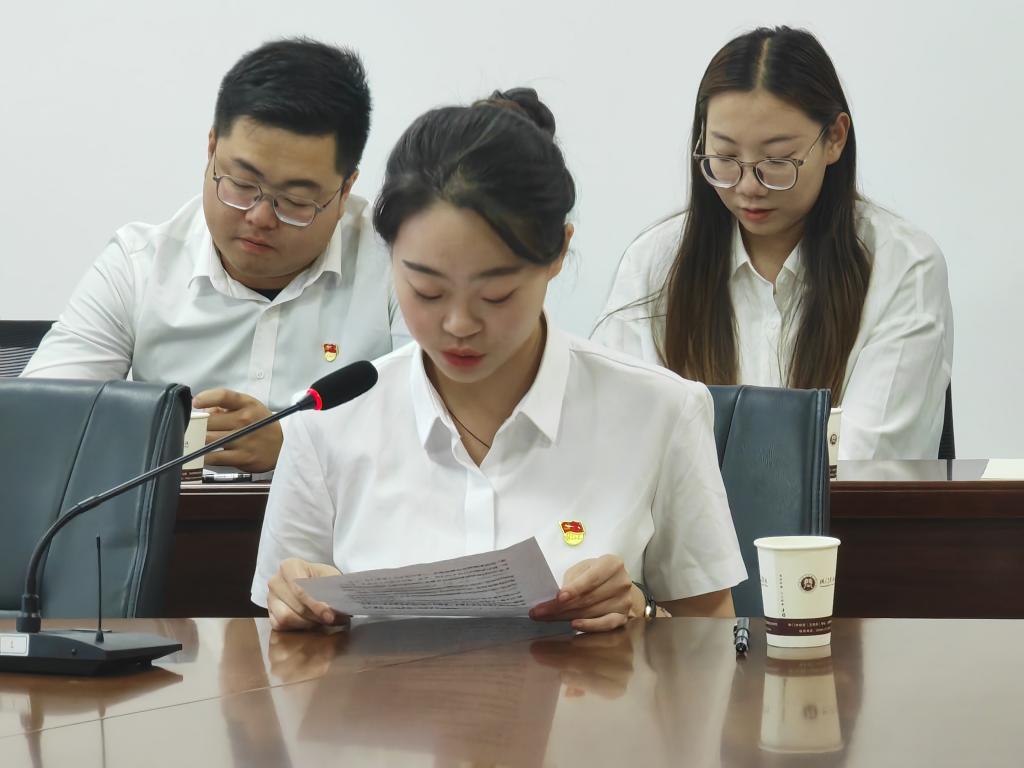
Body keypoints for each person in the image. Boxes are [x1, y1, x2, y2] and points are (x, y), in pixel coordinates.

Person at [252, 88, 747, 633]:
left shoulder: (660, 412)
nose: (460, 324)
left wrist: (644, 612)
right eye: (427, 291)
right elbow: (280, 635)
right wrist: (295, 604)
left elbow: (713, 636)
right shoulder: (325, 422)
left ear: (558, 252)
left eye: (496, 295)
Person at [22, 38, 405, 471]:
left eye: (296, 200)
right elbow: (36, 427)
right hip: (172, 516)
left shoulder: (399, 266)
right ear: (211, 150)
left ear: (346, 188)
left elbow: (445, 436)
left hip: (342, 516)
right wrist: (156, 439)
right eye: (241, 184)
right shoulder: (138, 266)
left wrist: (298, 446)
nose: (261, 216)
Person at [594, 27, 953, 460]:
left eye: (777, 160)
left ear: (835, 138)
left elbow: (867, 462)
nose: (748, 186)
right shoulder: (654, 264)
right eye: (725, 158)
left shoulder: (902, 267)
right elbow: (621, 444)